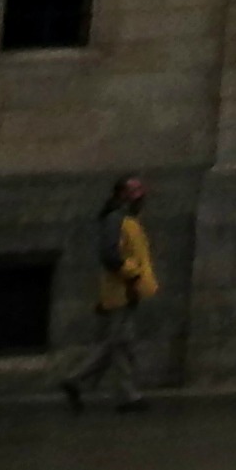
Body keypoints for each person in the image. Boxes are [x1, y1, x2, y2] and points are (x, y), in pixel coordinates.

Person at [60, 174, 158, 411]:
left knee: (117, 344)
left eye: (141, 189)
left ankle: (78, 382)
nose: (141, 194)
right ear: (122, 194)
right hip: (121, 291)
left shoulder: (129, 221)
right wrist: (132, 277)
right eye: (134, 190)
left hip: (127, 290)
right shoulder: (116, 220)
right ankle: (125, 396)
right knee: (120, 344)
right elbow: (110, 256)